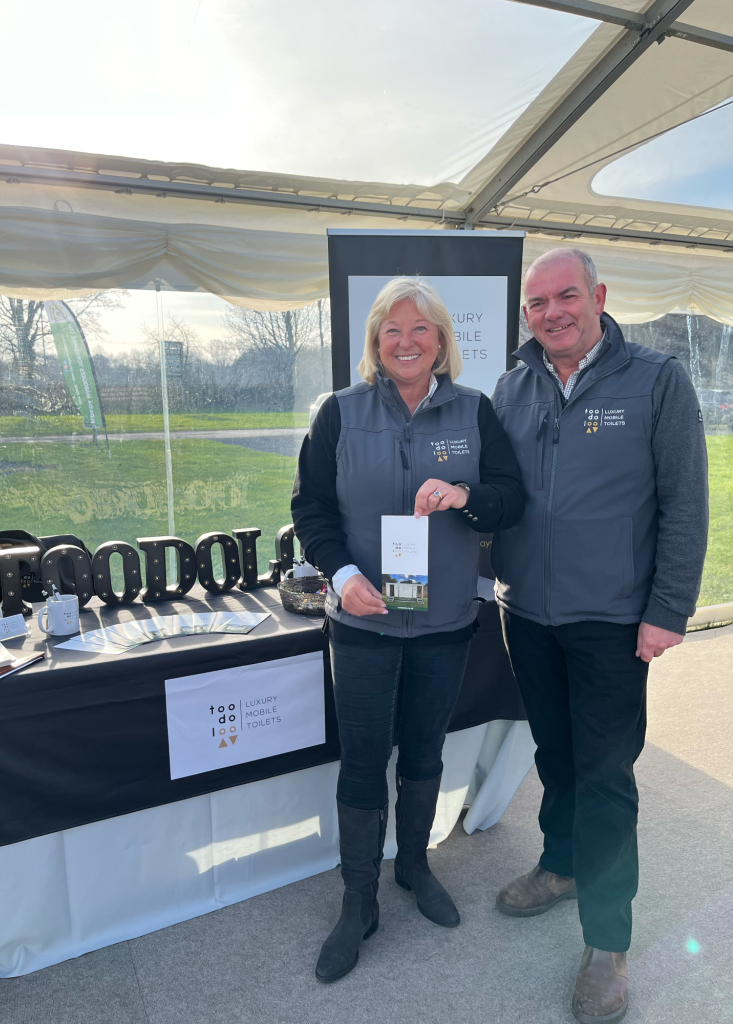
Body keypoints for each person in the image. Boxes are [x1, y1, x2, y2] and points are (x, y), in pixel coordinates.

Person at [491, 248, 709, 1023]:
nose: (553, 312)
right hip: (530, 613)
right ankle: (561, 865)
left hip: (614, 618)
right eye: (539, 302)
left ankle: (608, 943)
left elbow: (686, 500)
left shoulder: (655, 380)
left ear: (599, 297)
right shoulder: (511, 387)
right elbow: (499, 494)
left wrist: (668, 609)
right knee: (555, 755)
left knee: (608, 774)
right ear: (527, 313)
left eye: (567, 296)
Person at [292, 276, 524, 983]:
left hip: (444, 621)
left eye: (420, 329)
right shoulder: (339, 412)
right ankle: (358, 898)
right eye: (392, 330)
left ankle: (414, 868)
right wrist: (340, 574)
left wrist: (465, 496)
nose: (406, 341)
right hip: (362, 622)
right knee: (364, 759)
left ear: (442, 340)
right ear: (374, 342)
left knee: (424, 752)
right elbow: (311, 511)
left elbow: (509, 501)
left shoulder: (475, 412)